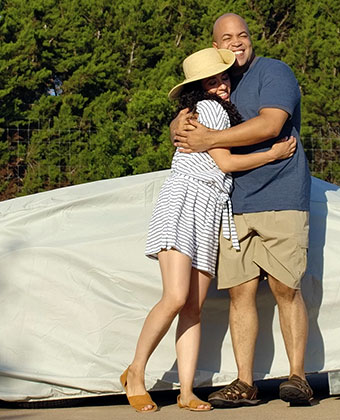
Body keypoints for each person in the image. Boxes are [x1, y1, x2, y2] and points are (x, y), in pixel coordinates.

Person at [119, 47, 296, 413]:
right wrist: (272, 154)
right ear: (198, 88)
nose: (221, 86)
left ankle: (186, 391)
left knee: (194, 307)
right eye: (211, 81)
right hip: (185, 204)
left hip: (209, 210)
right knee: (175, 297)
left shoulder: (213, 113)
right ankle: (135, 373)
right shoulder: (210, 110)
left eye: (223, 78)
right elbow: (226, 161)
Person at [170, 13, 315, 407]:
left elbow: (271, 124)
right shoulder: (214, 83)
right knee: (240, 293)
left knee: (286, 287)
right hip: (231, 203)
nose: (237, 43)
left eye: (243, 35)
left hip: (281, 196)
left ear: (252, 40)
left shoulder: (274, 72)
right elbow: (184, 123)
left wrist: (210, 139)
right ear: (214, 45)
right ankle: (245, 382)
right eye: (227, 38)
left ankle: (297, 377)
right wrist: (179, 128)